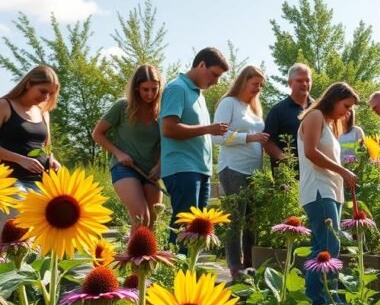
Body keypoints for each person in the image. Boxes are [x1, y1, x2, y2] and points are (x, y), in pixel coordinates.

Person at [297, 82, 360, 305]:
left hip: (331, 191)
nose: (348, 112)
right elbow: (310, 152)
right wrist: (343, 170)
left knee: (324, 246)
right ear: (334, 99)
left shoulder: (330, 124)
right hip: (318, 190)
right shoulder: (314, 116)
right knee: (327, 246)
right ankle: (319, 301)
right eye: (346, 105)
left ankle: (326, 297)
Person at [160, 48, 230, 246]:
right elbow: (169, 128)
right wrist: (209, 129)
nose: (216, 81)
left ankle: (188, 273)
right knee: (184, 228)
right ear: (201, 65)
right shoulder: (177, 88)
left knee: (198, 232)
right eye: (215, 74)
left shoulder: (198, 94)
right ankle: (173, 272)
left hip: (199, 170)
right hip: (182, 169)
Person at [212, 65, 270, 280]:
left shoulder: (254, 108)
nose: (258, 89)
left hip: (255, 172)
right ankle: (235, 268)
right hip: (233, 169)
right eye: (255, 84)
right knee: (236, 220)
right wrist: (249, 138)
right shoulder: (229, 103)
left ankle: (250, 266)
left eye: (261, 86)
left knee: (252, 221)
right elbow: (217, 137)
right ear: (243, 81)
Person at [92, 65, 164, 232]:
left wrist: (160, 165)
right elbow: (97, 134)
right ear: (136, 87)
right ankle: (131, 258)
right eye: (145, 89)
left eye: (154, 89)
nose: (150, 94)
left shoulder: (161, 111)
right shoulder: (122, 106)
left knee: (152, 223)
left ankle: (144, 258)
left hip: (151, 172)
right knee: (141, 216)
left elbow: (163, 143)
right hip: (125, 168)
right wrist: (119, 153)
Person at [0, 65, 62, 191]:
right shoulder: (3, 105)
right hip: (11, 180)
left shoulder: (43, 112)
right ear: (28, 84)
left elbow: (45, 148)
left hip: (42, 183)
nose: (46, 97)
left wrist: (52, 159)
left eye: (50, 94)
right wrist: (21, 160)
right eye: (42, 91)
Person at [265, 63, 313, 170]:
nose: (304, 84)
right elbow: (268, 142)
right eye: (299, 80)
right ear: (290, 83)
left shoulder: (318, 109)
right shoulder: (278, 110)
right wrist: (286, 160)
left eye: (307, 80)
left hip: (315, 173)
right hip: (288, 175)